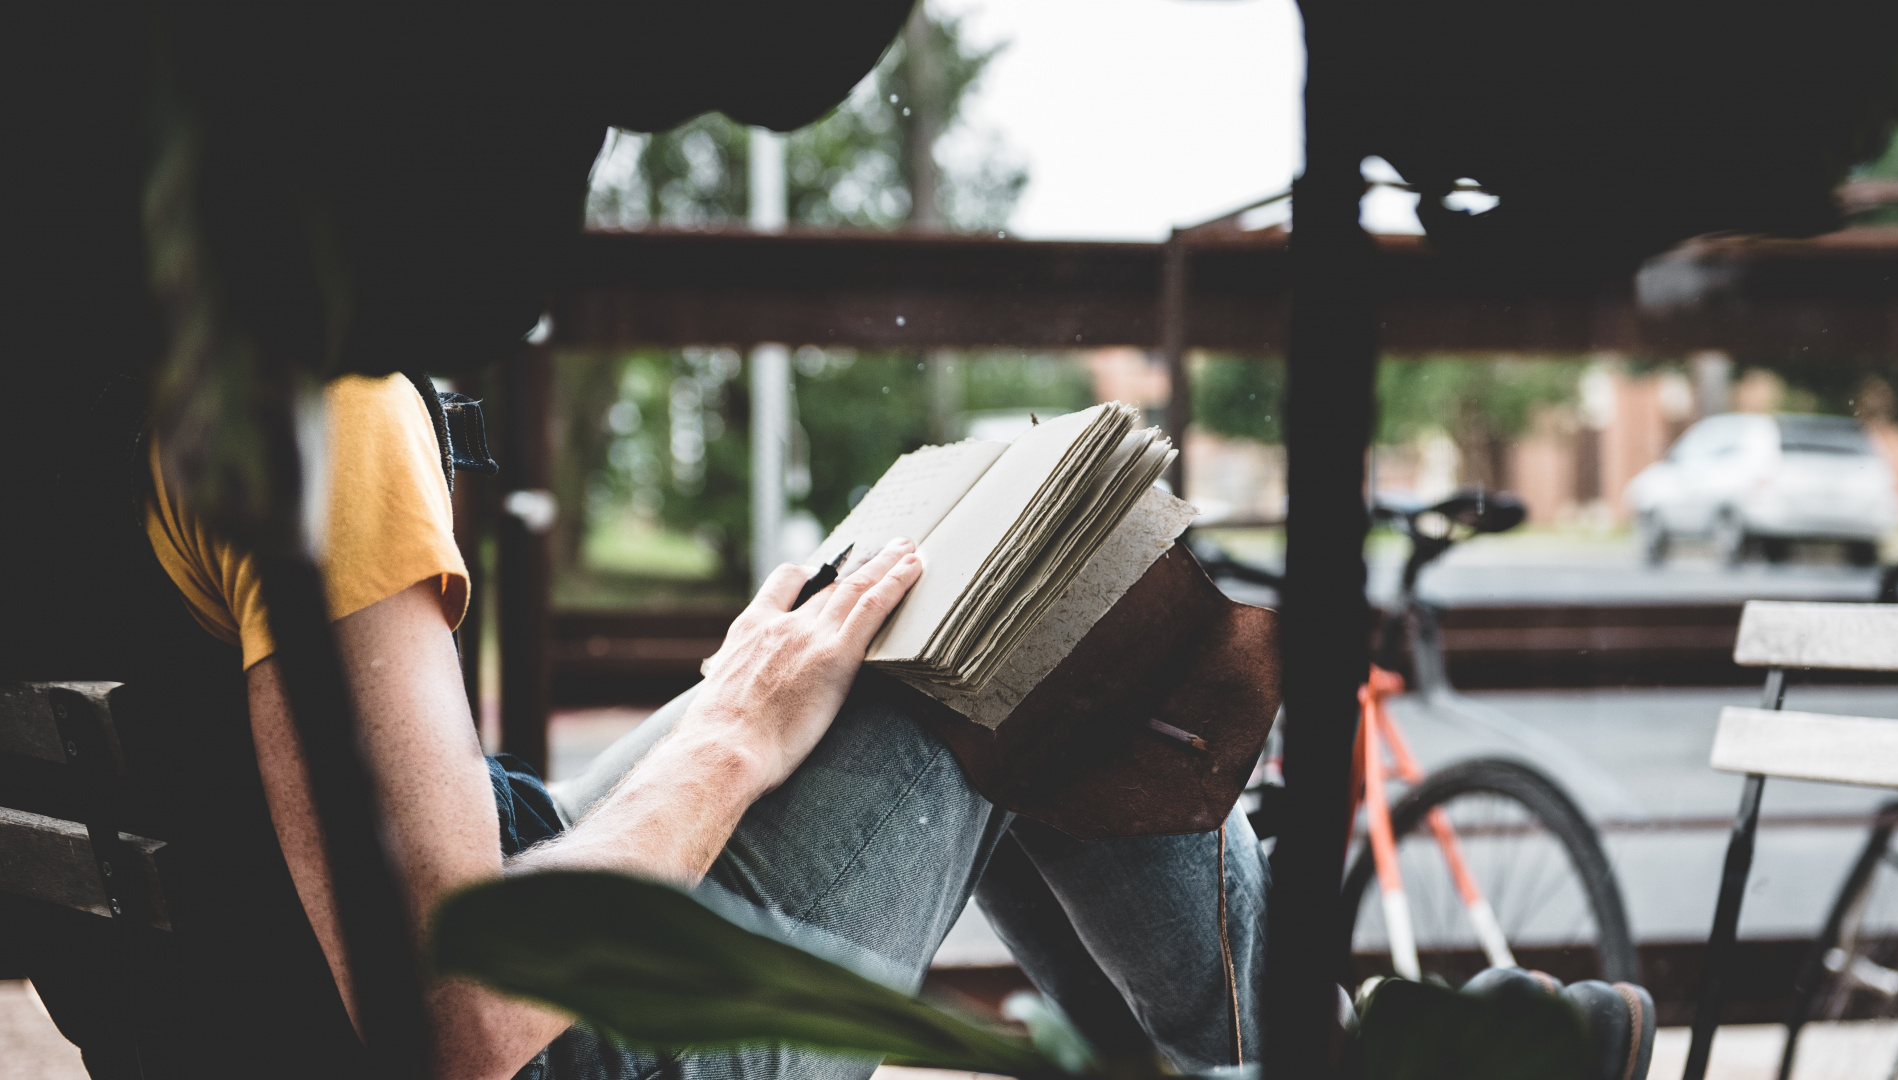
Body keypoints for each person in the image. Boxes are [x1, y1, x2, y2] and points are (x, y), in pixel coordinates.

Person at [50, 371, 1269, 1080]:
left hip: (267, 1019)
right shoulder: (312, 408)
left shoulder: (73, 412)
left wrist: (748, 696)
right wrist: (731, 735)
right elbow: (459, 1017)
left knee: (876, 634)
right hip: (589, 1056)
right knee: (1063, 597)